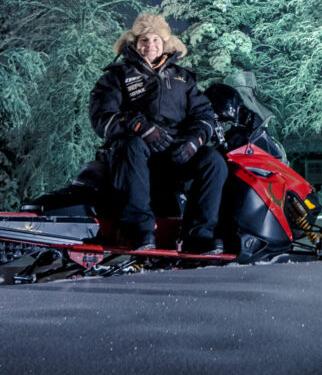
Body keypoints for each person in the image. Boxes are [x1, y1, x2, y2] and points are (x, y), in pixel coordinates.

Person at [88, 13, 226, 254]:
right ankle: (138, 232)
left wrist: (194, 142)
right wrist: (139, 126)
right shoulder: (116, 76)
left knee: (213, 160)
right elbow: (102, 118)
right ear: (134, 43)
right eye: (144, 40)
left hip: (174, 155)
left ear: (165, 44)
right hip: (133, 155)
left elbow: (205, 117)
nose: (150, 45)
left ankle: (198, 236)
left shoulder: (183, 78)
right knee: (129, 145)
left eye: (156, 40)